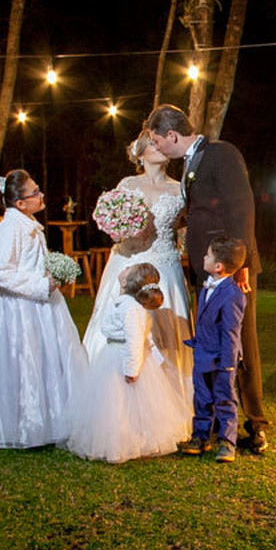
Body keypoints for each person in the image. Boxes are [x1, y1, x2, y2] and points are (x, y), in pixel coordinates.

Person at [146, 104, 268, 453]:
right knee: (212, 345)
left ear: (172, 135)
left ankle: (256, 425)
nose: (158, 148)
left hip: (231, 270)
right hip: (205, 271)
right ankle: (216, 420)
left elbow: (241, 208)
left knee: (241, 342)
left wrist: (238, 265)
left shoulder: (221, 153)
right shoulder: (190, 163)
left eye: (158, 140)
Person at [0, 170, 86, 449]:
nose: (41, 195)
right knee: (22, 363)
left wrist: (55, 273)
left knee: (45, 361)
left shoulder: (30, 224)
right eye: (35, 192)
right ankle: (18, 424)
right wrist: (41, 284)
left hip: (42, 307)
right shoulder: (8, 229)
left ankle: (50, 420)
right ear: (20, 203)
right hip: (18, 309)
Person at [83, 131, 192, 404]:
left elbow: (184, 224)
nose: (158, 148)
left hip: (164, 266)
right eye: (152, 145)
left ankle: (166, 401)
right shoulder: (127, 184)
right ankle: (111, 399)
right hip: (128, 261)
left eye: (159, 143)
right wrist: (118, 230)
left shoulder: (178, 188)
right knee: (121, 324)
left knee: (165, 332)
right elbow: (115, 223)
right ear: (140, 154)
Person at [65, 263, 191, 463]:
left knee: (123, 403)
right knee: (117, 403)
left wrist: (132, 368)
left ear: (126, 281)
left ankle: (127, 441)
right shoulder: (124, 303)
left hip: (122, 359)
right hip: (114, 354)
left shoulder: (131, 308)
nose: (124, 267)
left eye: (128, 268)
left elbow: (134, 340)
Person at [178, 237, 248, 463]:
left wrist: (229, 363)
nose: (204, 257)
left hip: (221, 359)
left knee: (224, 399)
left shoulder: (232, 294)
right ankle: (200, 437)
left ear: (218, 266)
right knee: (202, 397)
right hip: (202, 353)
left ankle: (227, 442)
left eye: (207, 255)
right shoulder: (207, 285)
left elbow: (231, 331)